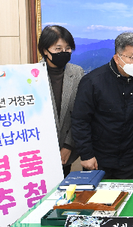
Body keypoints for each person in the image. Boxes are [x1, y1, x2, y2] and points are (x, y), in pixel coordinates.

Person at [71, 32, 133, 179]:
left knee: (127, 196)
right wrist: (86, 154)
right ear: (117, 57)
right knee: (97, 199)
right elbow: (80, 120)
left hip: (128, 153)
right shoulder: (93, 82)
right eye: (132, 58)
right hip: (98, 155)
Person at [38, 25, 84, 177]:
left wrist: (68, 145)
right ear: (45, 50)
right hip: (38, 152)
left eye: (68, 48)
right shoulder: (31, 76)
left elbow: (81, 113)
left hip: (66, 150)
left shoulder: (77, 73)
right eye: (58, 49)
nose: (64, 52)